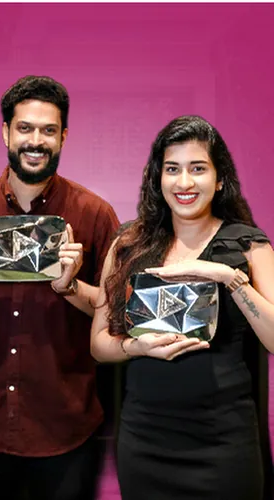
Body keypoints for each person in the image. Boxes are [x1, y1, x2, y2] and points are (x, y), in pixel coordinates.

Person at [0, 75, 120, 500]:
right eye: (25, 128)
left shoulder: (95, 215)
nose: (36, 141)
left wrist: (70, 288)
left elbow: (119, 314)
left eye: (48, 130)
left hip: (65, 426)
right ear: (6, 132)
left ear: (63, 137)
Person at [91, 115, 274, 500]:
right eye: (172, 169)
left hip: (224, 445)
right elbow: (99, 343)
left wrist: (229, 279)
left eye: (198, 168)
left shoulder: (249, 246)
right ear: (158, 178)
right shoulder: (129, 244)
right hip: (144, 441)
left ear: (219, 178)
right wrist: (137, 347)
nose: (184, 182)